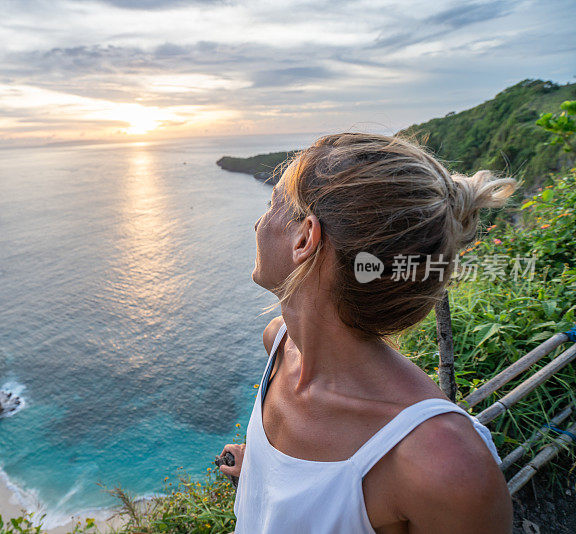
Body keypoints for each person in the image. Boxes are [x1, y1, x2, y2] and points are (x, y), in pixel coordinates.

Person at [218, 133, 517, 533]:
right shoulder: (280, 346)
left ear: (304, 238)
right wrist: (261, 467)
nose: (258, 222)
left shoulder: (444, 465)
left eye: (272, 204)